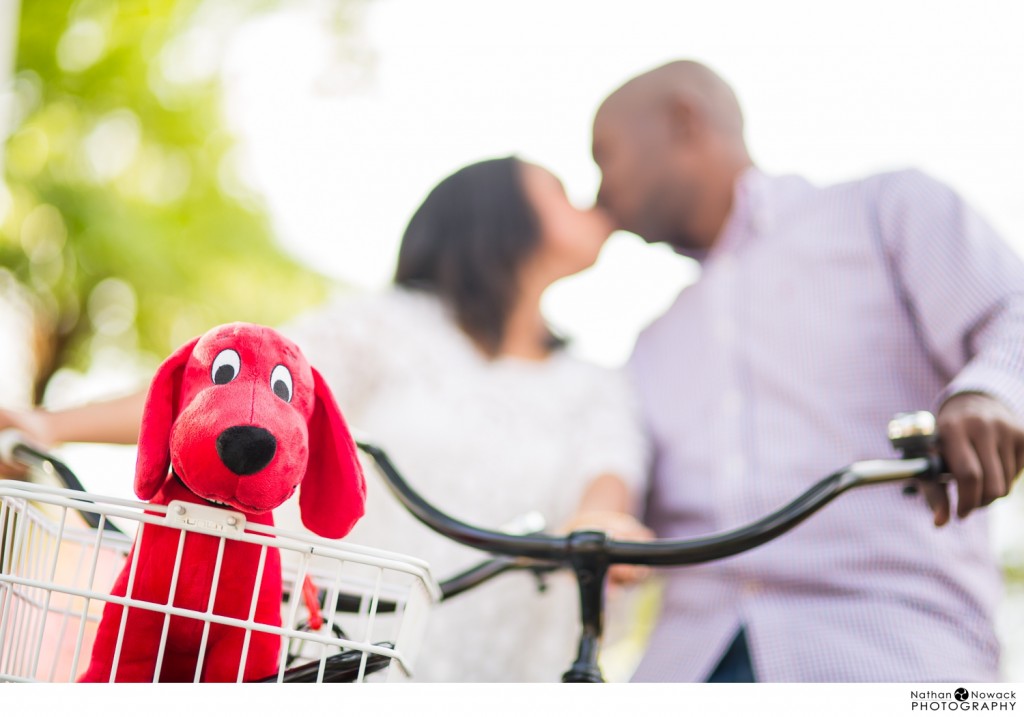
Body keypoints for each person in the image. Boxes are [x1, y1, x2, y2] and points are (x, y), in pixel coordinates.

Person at [0, 156, 651, 682]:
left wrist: (601, 516)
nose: (588, 203)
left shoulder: (594, 381)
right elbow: (226, 382)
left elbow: (608, 469)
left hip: (500, 663)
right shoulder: (389, 325)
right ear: (497, 215)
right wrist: (48, 425)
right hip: (347, 636)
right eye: (561, 189)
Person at [590, 60, 1024, 682]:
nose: (597, 190)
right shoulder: (651, 343)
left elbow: (1014, 310)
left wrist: (992, 393)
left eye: (604, 154)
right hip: (684, 666)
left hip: (901, 657)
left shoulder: (887, 209)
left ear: (683, 121)